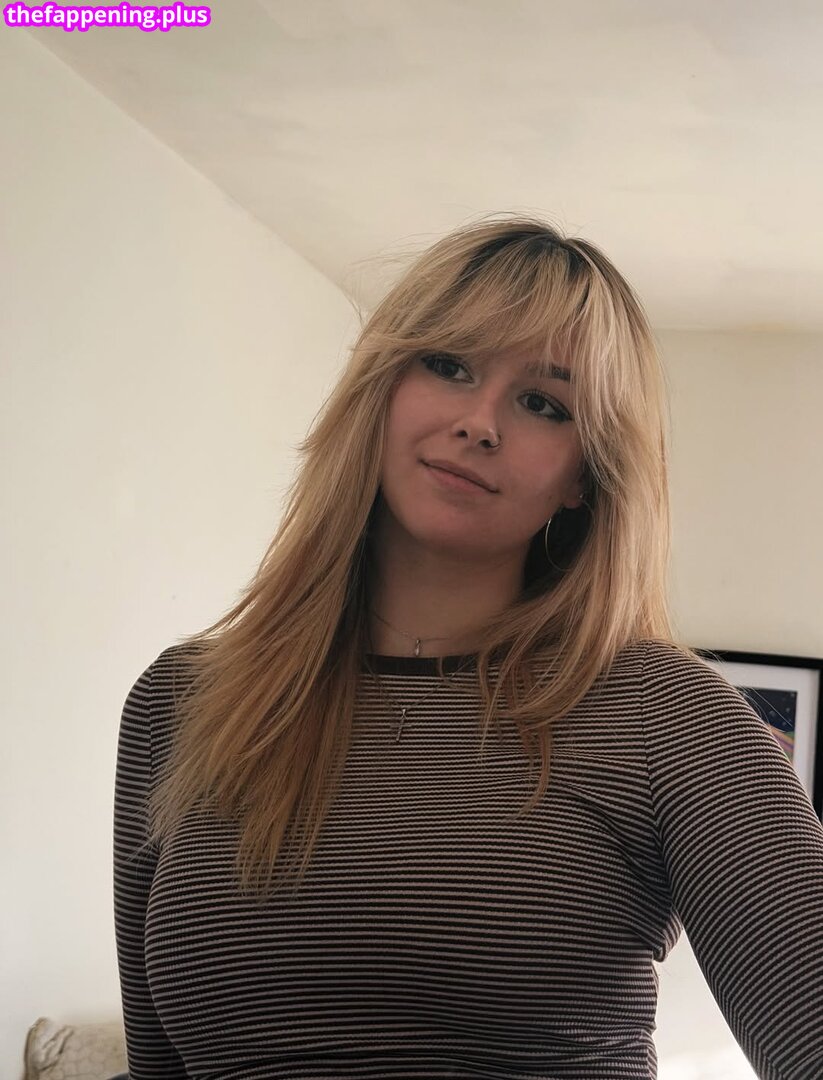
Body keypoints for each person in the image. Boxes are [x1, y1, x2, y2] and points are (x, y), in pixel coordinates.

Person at [113, 214, 823, 1079]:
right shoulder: (181, 701)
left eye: (542, 404)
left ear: (583, 474)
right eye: (448, 365)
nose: (480, 423)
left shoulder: (665, 716)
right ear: (380, 387)